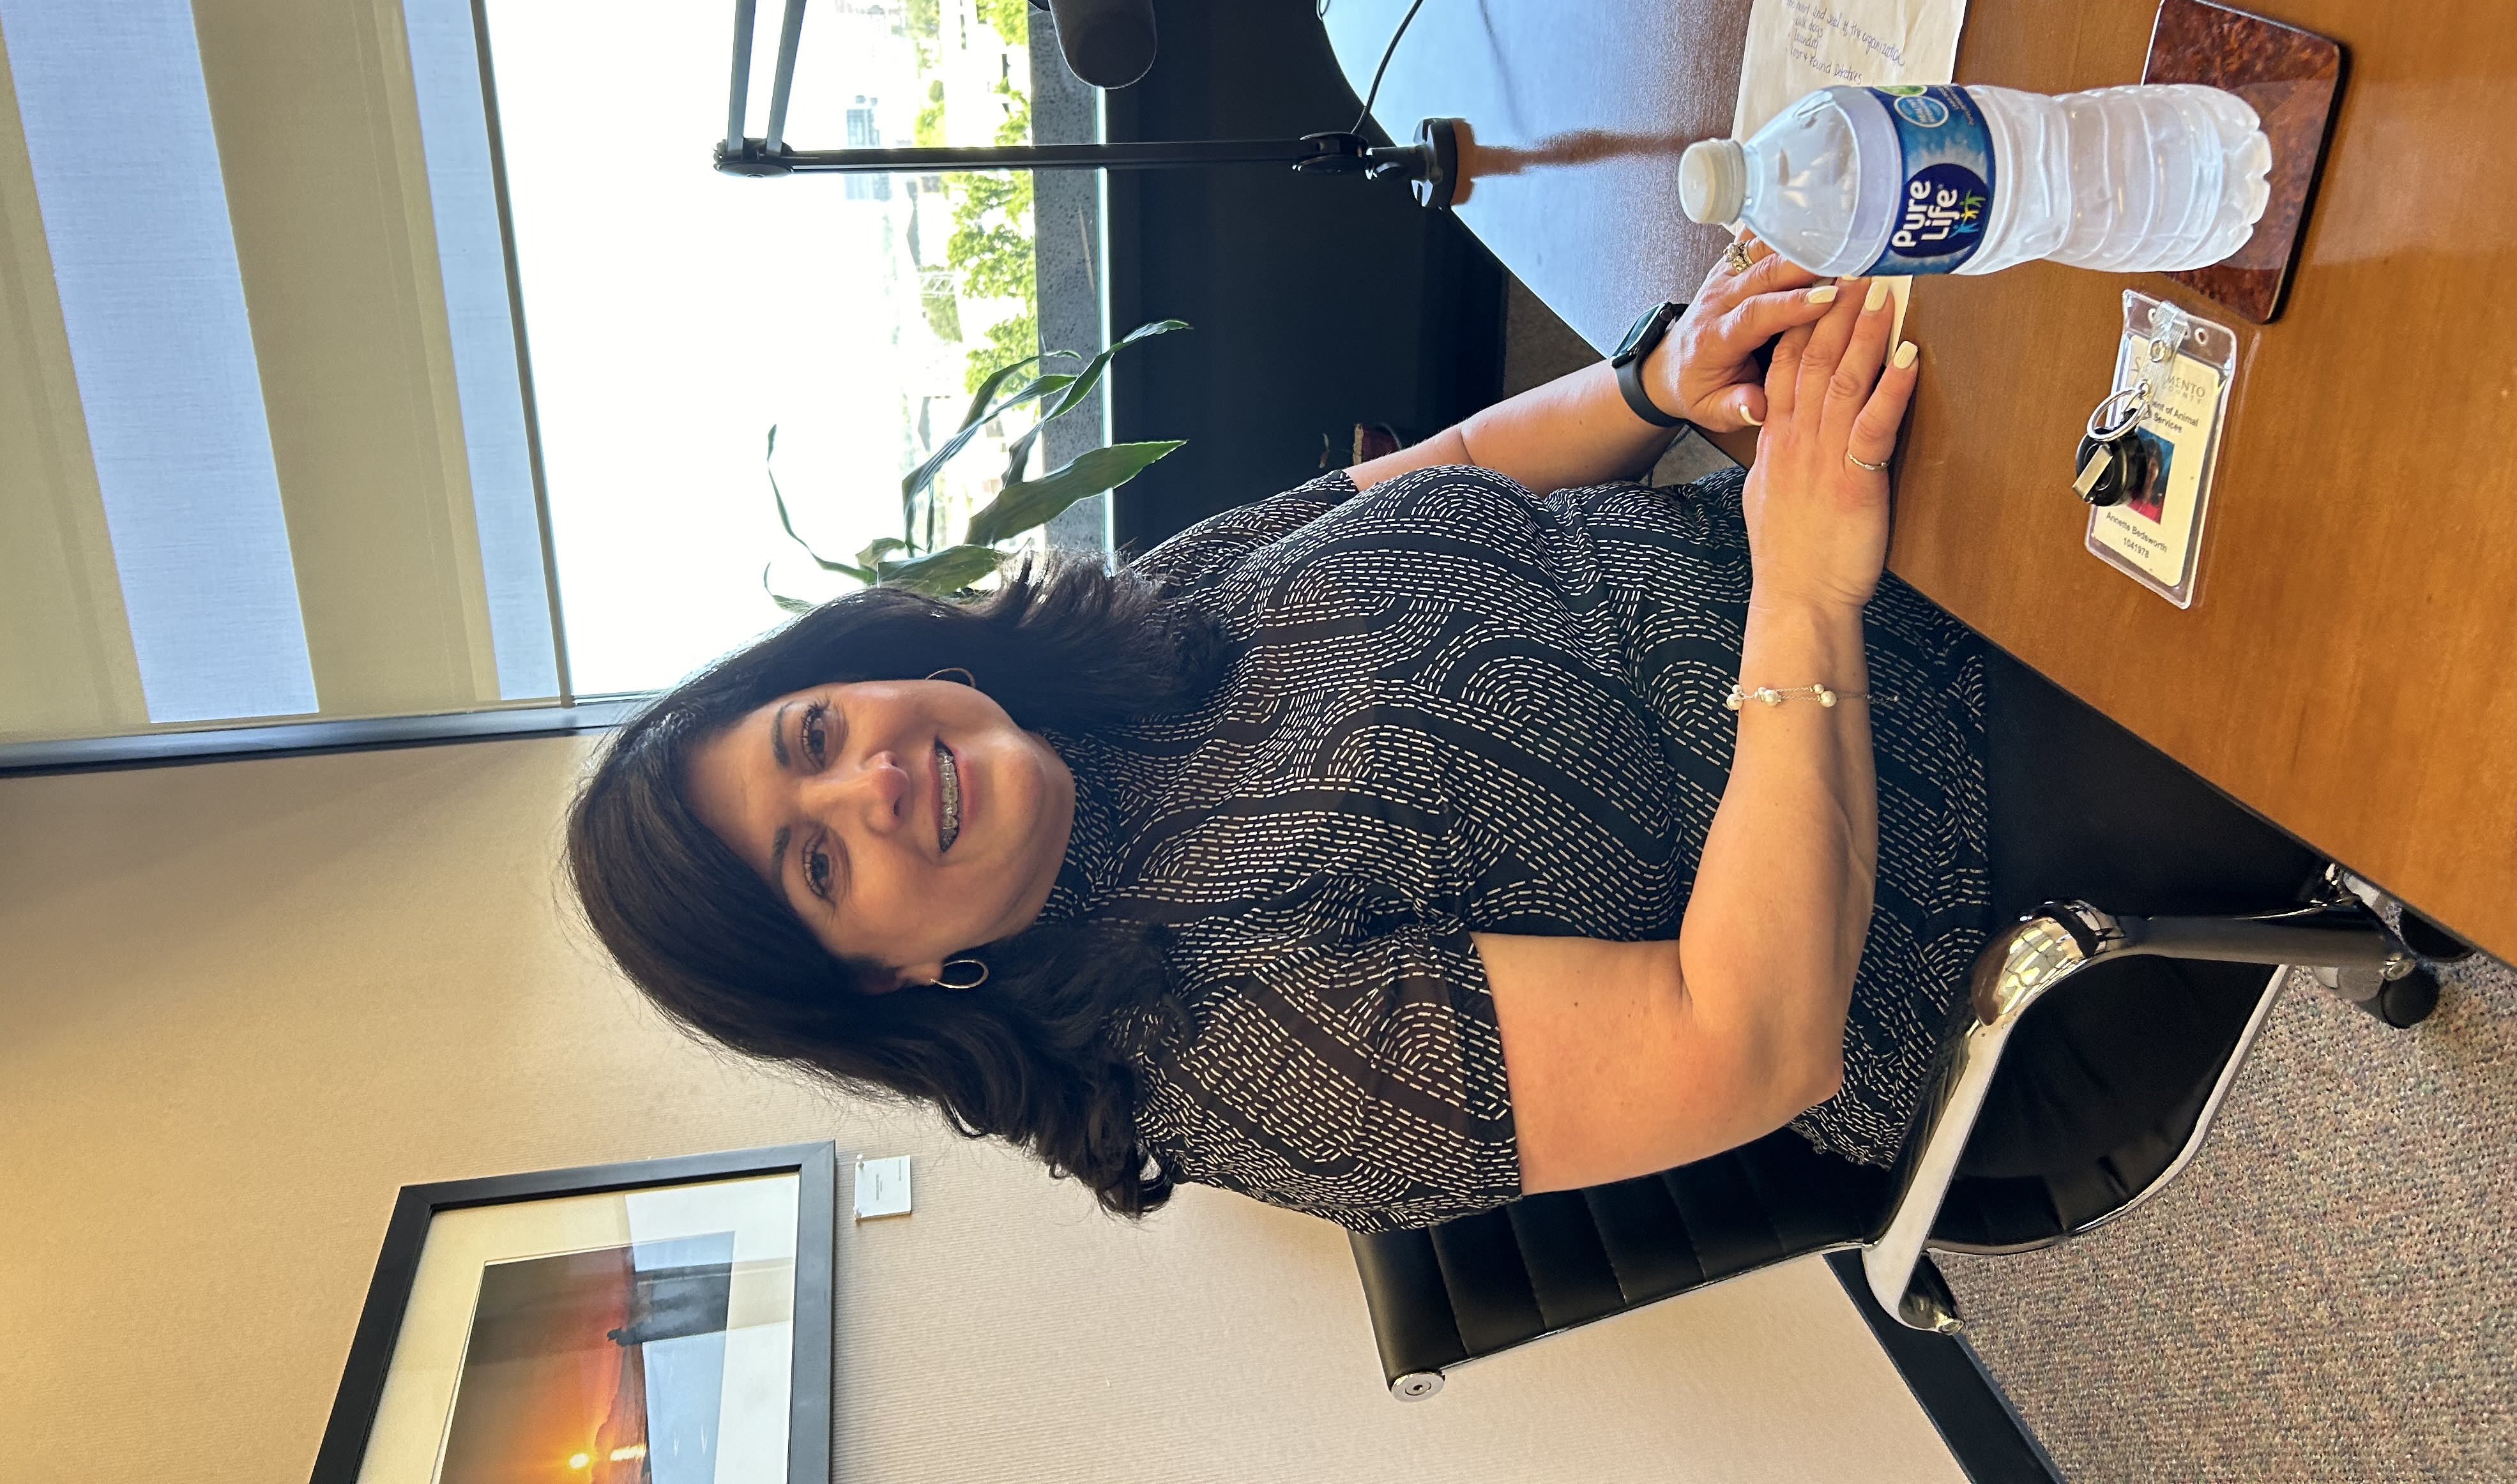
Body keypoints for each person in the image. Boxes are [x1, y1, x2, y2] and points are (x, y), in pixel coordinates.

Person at [567, 250, 1986, 1230]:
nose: (868, 780)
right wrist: (1801, 589)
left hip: (1847, 527)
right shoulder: (1217, 1057)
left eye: (812, 731)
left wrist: (1655, 384)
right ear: (890, 983)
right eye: (817, 865)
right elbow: (1744, 1038)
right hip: (1967, 835)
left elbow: (1462, 466)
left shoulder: (1133, 636)